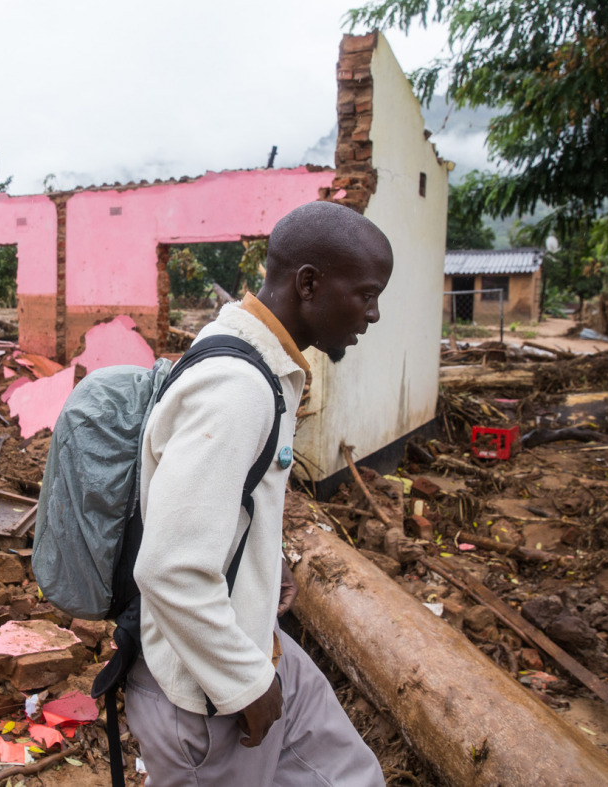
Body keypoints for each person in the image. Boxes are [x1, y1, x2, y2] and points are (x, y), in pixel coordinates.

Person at [127, 201, 393, 786]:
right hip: (204, 694)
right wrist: (244, 684)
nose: (373, 315)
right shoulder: (238, 388)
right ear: (308, 284)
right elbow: (169, 568)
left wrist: (264, 563)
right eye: (367, 294)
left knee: (350, 776)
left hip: (256, 642)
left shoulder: (258, 363)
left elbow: (227, 502)